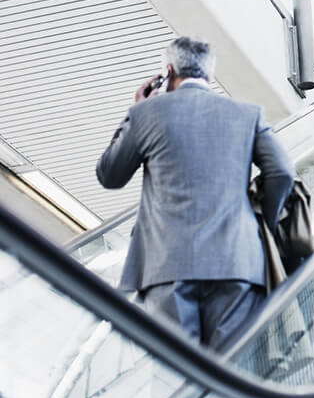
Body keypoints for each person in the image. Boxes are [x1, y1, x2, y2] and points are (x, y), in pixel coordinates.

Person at [96, 36, 295, 349]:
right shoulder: (248, 115)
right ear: (210, 76)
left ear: (169, 71)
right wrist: (261, 226)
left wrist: (135, 111)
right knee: (231, 373)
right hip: (236, 262)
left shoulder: (147, 113)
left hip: (167, 266)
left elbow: (109, 175)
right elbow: (282, 172)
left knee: (177, 375)